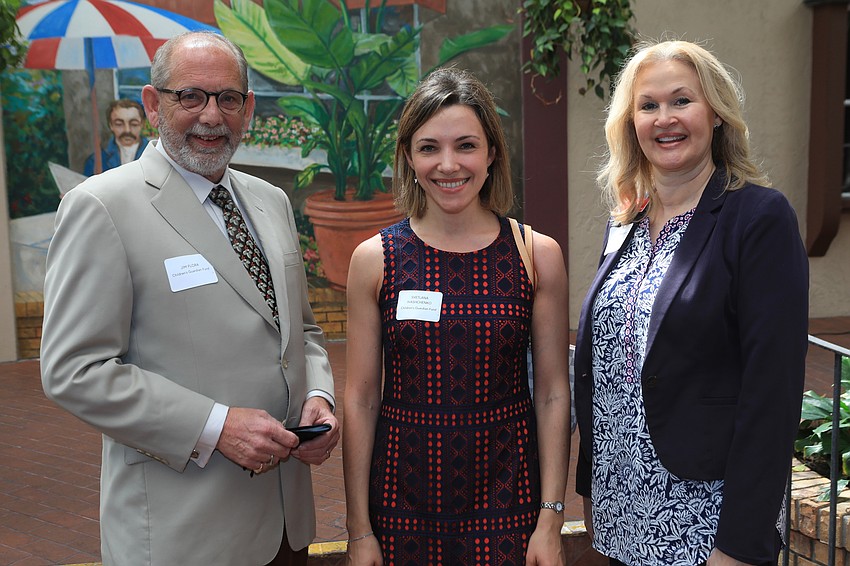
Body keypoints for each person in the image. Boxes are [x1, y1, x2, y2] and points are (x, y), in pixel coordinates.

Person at [40, 31, 339, 566]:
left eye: (227, 98)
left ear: (246, 108)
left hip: (286, 526)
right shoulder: (101, 206)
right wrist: (215, 425)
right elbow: (73, 370)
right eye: (191, 96)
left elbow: (304, 333)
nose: (211, 115)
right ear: (154, 103)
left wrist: (320, 397)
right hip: (184, 534)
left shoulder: (271, 202)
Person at [573, 39, 809, 566]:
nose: (665, 119)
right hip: (622, 515)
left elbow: (772, 393)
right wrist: (592, 488)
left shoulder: (758, 218)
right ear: (629, 123)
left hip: (706, 525)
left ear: (717, 115)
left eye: (682, 101)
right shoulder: (626, 222)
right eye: (648, 105)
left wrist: (739, 544)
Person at [343, 67, 571, 566]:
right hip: (402, 502)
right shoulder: (374, 260)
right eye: (429, 148)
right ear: (408, 156)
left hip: (509, 499)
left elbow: (553, 392)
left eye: (466, 145)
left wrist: (550, 517)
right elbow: (359, 399)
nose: (448, 165)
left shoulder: (536, 254)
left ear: (492, 153)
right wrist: (359, 529)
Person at [84, 98, 150, 176]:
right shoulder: (96, 161)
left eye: (134, 124)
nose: (127, 130)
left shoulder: (154, 156)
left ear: (142, 124)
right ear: (111, 125)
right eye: (119, 124)